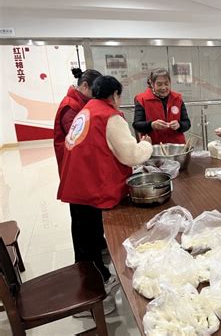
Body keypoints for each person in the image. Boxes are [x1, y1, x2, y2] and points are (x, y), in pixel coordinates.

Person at [57, 75, 153, 316]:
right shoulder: (109, 116)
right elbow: (130, 155)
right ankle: (93, 296)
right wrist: (147, 145)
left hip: (76, 184)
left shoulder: (87, 110)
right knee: (89, 240)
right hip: (92, 186)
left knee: (82, 237)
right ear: (114, 96)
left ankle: (87, 288)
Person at [53, 68, 102, 176]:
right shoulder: (69, 106)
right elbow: (77, 138)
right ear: (85, 86)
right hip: (73, 162)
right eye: (95, 92)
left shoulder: (81, 102)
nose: (97, 96)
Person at [133, 68, 190, 144]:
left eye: (166, 84)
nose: (163, 88)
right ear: (152, 84)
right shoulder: (142, 99)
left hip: (177, 146)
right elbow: (137, 125)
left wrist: (179, 125)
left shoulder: (177, 99)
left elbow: (187, 123)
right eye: (159, 84)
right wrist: (152, 125)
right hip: (153, 147)